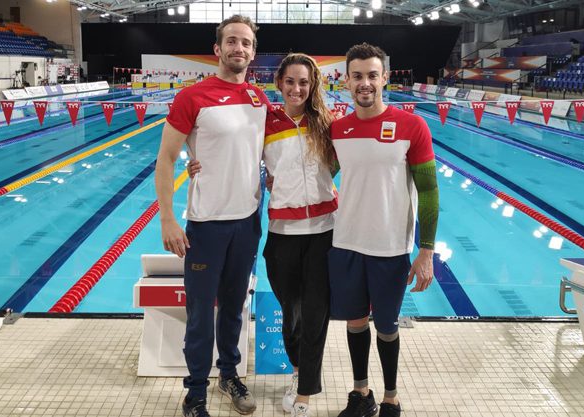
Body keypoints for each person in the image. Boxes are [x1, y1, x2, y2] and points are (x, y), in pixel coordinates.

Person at [188, 53, 337, 417]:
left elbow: (345, 164)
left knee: (316, 312)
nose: (297, 88)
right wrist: (194, 161)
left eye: (304, 82)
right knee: (291, 311)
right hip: (282, 231)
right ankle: (298, 370)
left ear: (312, 85)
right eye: (290, 81)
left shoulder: (328, 123)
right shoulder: (265, 121)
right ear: (279, 83)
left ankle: (304, 390)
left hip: (323, 229)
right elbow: (232, 150)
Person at [155, 15, 270, 417]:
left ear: (253, 52)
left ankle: (229, 373)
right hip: (205, 224)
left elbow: (268, 153)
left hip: (248, 221)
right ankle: (196, 391)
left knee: (235, 306)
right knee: (202, 313)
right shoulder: (193, 97)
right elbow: (166, 158)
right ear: (218, 49)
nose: (240, 49)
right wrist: (168, 217)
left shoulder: (260, 98)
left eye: (247, 43)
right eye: (233, 42)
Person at [329, 43, 439, 417]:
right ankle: (362, 394)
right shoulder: (337, 129)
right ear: (346, 81)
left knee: (388, 326)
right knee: (355, 321)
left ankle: (391, 396)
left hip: (391, 247)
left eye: (372, 75)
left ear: (384, 78)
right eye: (357, 76)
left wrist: (426, 251)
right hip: (345, 242)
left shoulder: (412, 126)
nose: (365, 83)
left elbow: (429, 191)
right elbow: (316, 175)